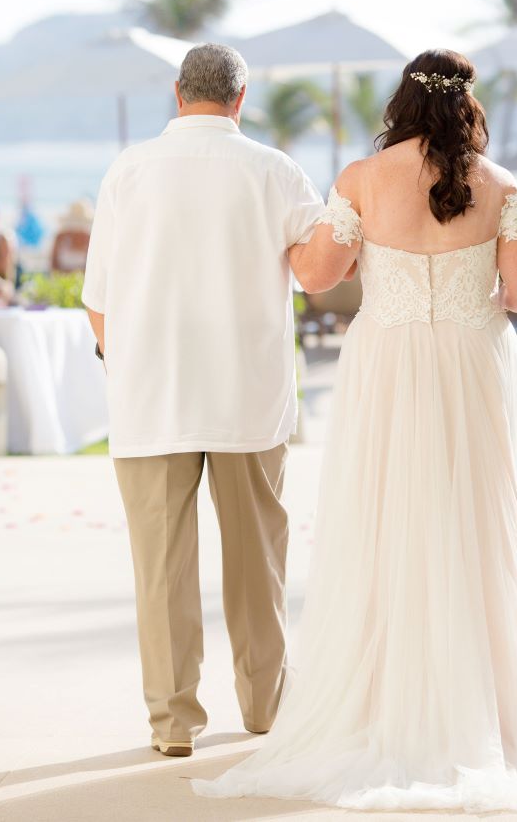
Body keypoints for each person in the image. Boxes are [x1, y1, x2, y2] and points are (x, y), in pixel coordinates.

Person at [194, 50, 517, 813]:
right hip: (473, 367)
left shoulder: (361, 176)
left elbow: (318, 276)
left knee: (386, 524)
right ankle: (480, 709)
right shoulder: (501, 185)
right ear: (469, 105)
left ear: (401, 101)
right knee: (481, 527)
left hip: (387, 362)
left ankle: (388, 701)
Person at [82, 43, 324, 758]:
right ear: (240, 99)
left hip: (151, 395)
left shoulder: (128, 170)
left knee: (159, 569)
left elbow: (97, 300)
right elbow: (317, 270)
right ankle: (264, 705)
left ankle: (174, 723)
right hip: (248, 395)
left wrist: (123, 364)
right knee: (258, 560)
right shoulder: (276, 170)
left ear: (176, 93)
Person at [50, 199, 93, 273]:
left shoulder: (89, 239)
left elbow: (92, 267)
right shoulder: (60, 237)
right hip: (61, 281)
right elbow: (53, 265)